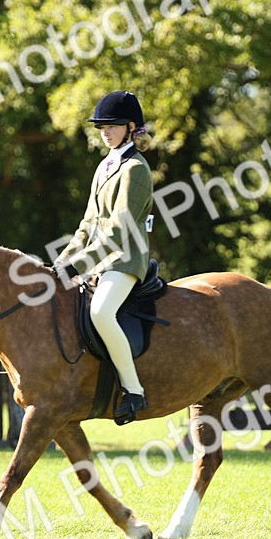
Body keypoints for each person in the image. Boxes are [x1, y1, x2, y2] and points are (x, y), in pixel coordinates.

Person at [53, 91, 155, 423]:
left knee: (100, 312)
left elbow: (120, 229)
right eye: (101, 128)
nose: (105, 133)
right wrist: (62, 261)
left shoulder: (135, 168)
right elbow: (88, 223)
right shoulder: (105, 166)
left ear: (130, 127)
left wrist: (79, 265)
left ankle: (134, 391)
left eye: (111, 127)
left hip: (126, 259)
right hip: (100, 258)